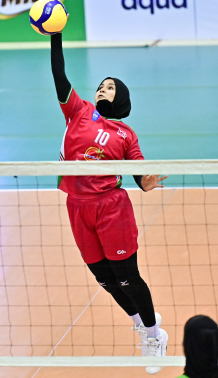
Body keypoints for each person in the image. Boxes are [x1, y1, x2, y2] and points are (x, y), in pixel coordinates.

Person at [50, 30, 168, 374]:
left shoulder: (125, 134)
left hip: (111, 207)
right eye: (101, 84)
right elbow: (60, 76)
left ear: (121, 99)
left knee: (127, 277)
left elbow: (138, 174)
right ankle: (141, 319)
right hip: (77, 205)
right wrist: (55, 36)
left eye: (111, 86)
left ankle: (152, 335)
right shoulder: (78, 112)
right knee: (104, 279)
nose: (103, 88)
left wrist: (145, 183)